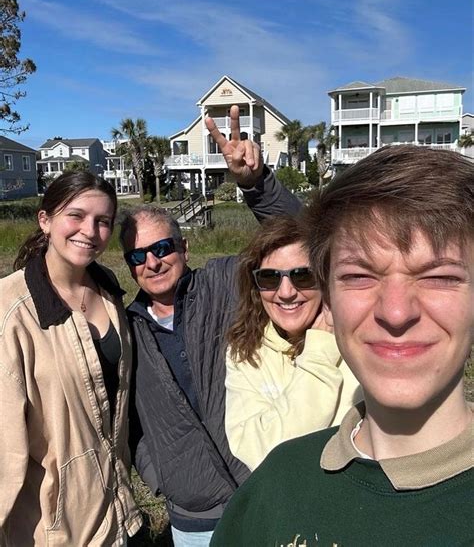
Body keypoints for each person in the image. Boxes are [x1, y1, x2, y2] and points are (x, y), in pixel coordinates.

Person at [211, 145, 474, 546]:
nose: (396, 311)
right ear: (331, 299)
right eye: (359, 276)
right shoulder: (275, 489)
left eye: (438, 276)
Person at [121, 105, 301, 545]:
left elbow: (298, 241)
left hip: (265, 489)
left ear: (183, 246)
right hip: (193, 515)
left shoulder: (225, 281)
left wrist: (256, 185)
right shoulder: (125, 329)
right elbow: (129, 422)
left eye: (162, 246)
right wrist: (162, 474)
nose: (153, 261)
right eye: (137, 256)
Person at [0, 171, 142, 546]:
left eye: (102, 221)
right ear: (45, 220)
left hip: (116, 515)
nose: (89, 231)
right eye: (75, 216)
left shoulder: (110, 292)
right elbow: (4, 447)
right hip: (53, 529)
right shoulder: (12, 312)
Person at [225, 215, 361, 470]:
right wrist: (319, 355)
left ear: (325, 279)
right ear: (255, 286)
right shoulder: (245, 350)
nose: (286, 292)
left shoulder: (360, 343)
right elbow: (262, 452)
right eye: (269, 278)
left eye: (302, 276)